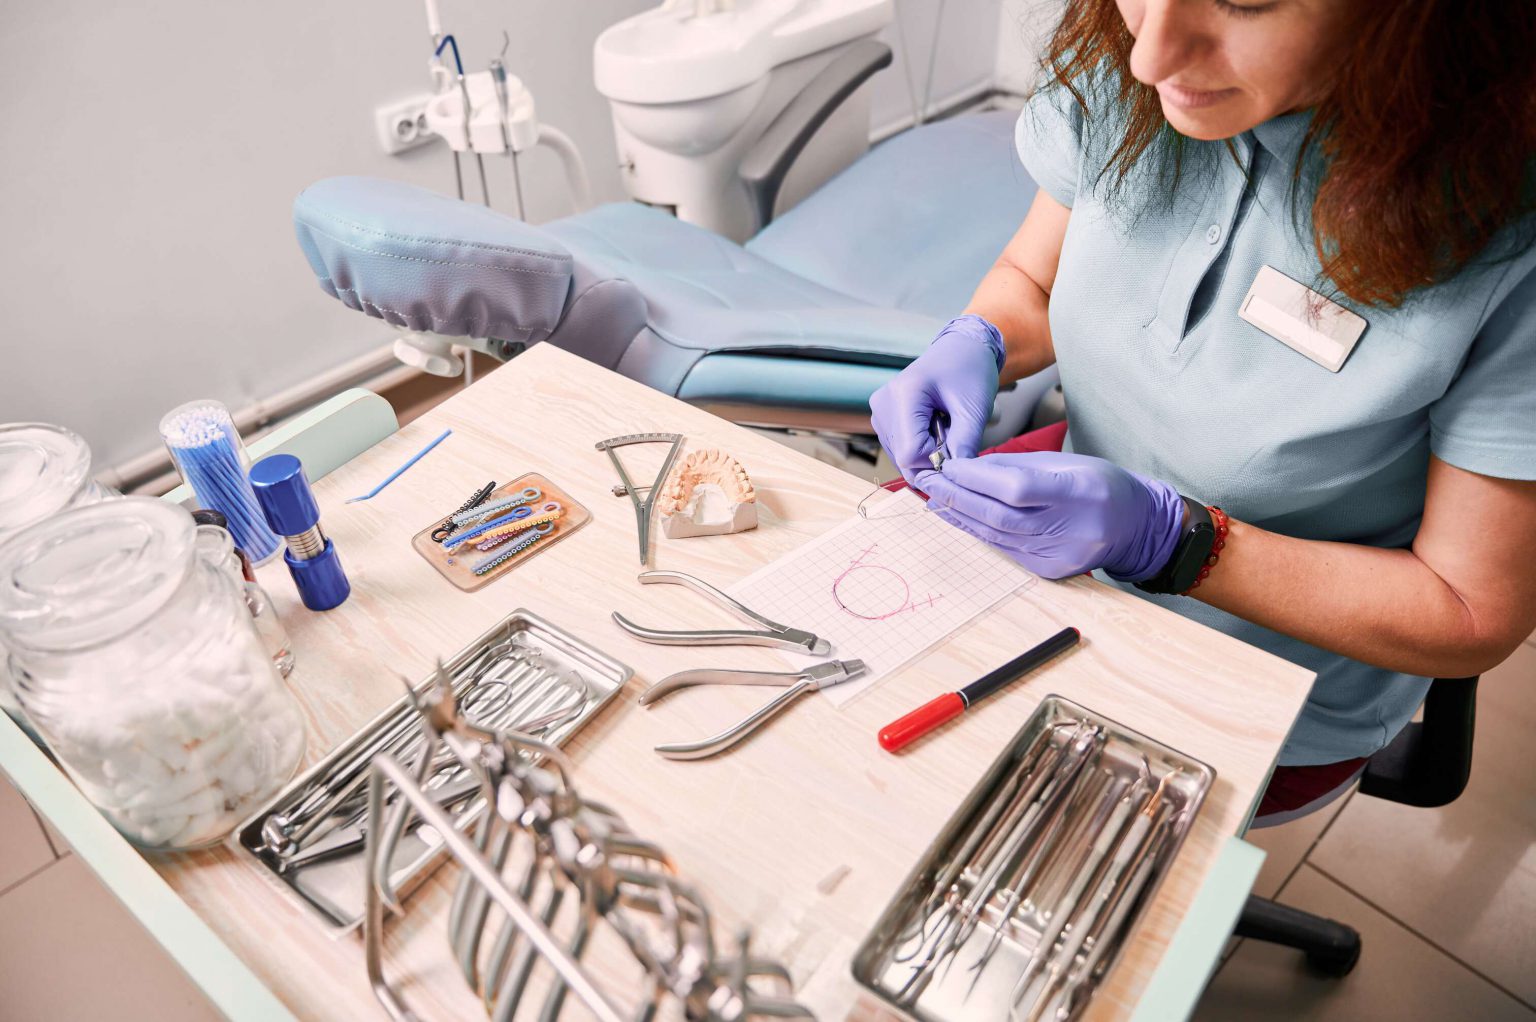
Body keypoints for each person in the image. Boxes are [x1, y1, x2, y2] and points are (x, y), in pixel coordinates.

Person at [870, 0, 1536, 825]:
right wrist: (977, 337)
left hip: (1265, 682)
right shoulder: (1126, 67)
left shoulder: (1511, 240)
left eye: (1245, 2)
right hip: (1062, 559)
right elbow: (1033, 281)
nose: (1150, 60)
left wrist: (1179, 542)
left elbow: (1471, 612)